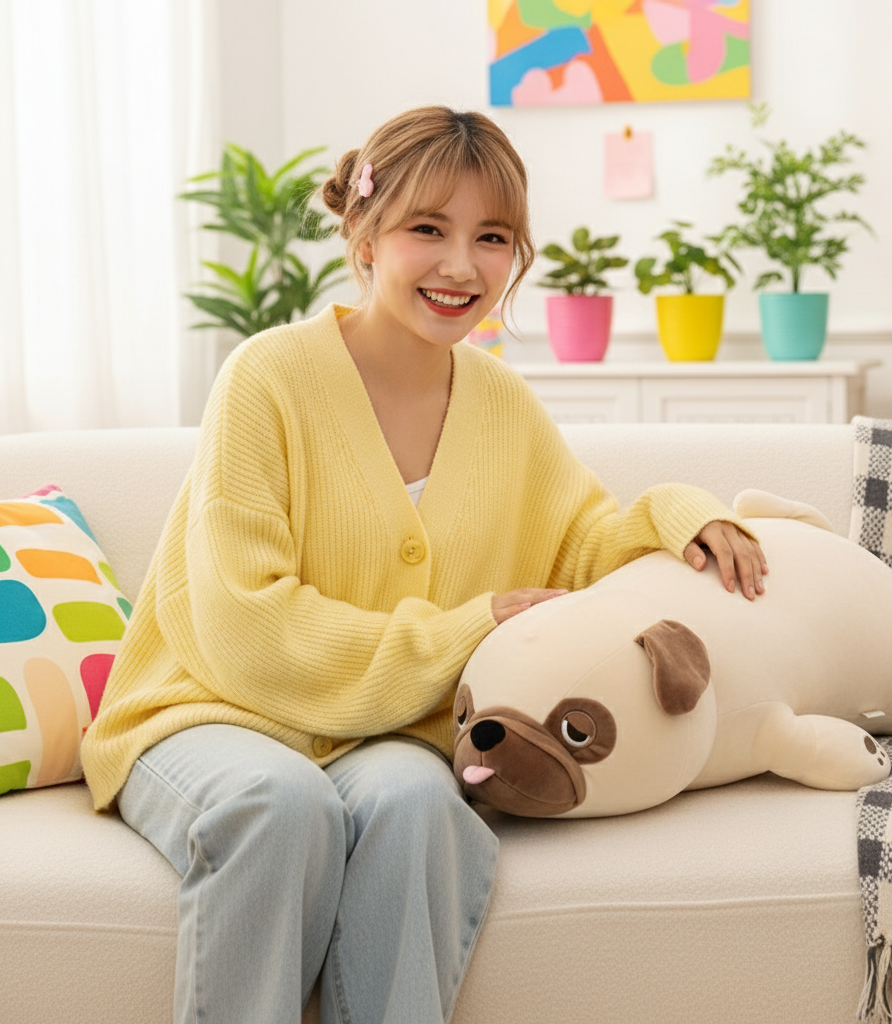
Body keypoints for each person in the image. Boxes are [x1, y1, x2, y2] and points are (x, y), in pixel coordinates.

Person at [81, 105, 766, 1024]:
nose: (460, 266)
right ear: (363, 233)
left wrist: (683, 515)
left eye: (491, 237)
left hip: (390, 734)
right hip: (214, 710)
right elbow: (245, 622)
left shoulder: (502, 401)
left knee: (419, 807)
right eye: (426, 230)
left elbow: (584, 542)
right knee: (281, 808)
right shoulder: (266, 377)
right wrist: (464, 628)